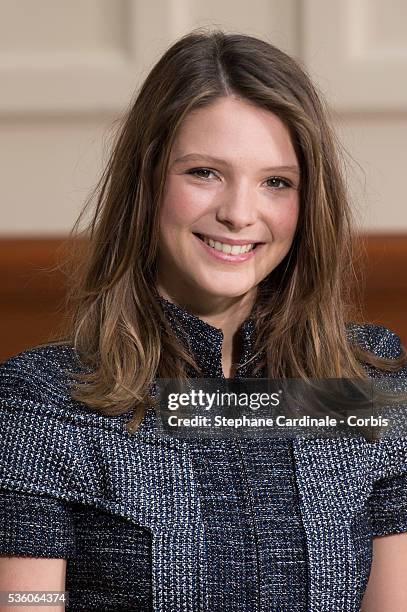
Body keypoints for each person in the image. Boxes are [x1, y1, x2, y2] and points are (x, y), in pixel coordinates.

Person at [0, 27, 407, 612]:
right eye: (203, 173)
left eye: (276, 182)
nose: (240, 213)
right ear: (147, 182)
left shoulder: (364, 389)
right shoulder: (43, 405)